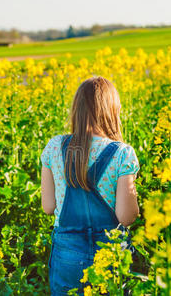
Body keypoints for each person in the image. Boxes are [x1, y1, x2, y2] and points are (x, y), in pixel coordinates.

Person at [40, 76, 140, 295]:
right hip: (110, 254)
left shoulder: (53, 147)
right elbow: (126, 217)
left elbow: (48, 207)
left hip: (67, 253)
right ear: (112, 111)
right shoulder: (123, 153)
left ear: (77, 109)